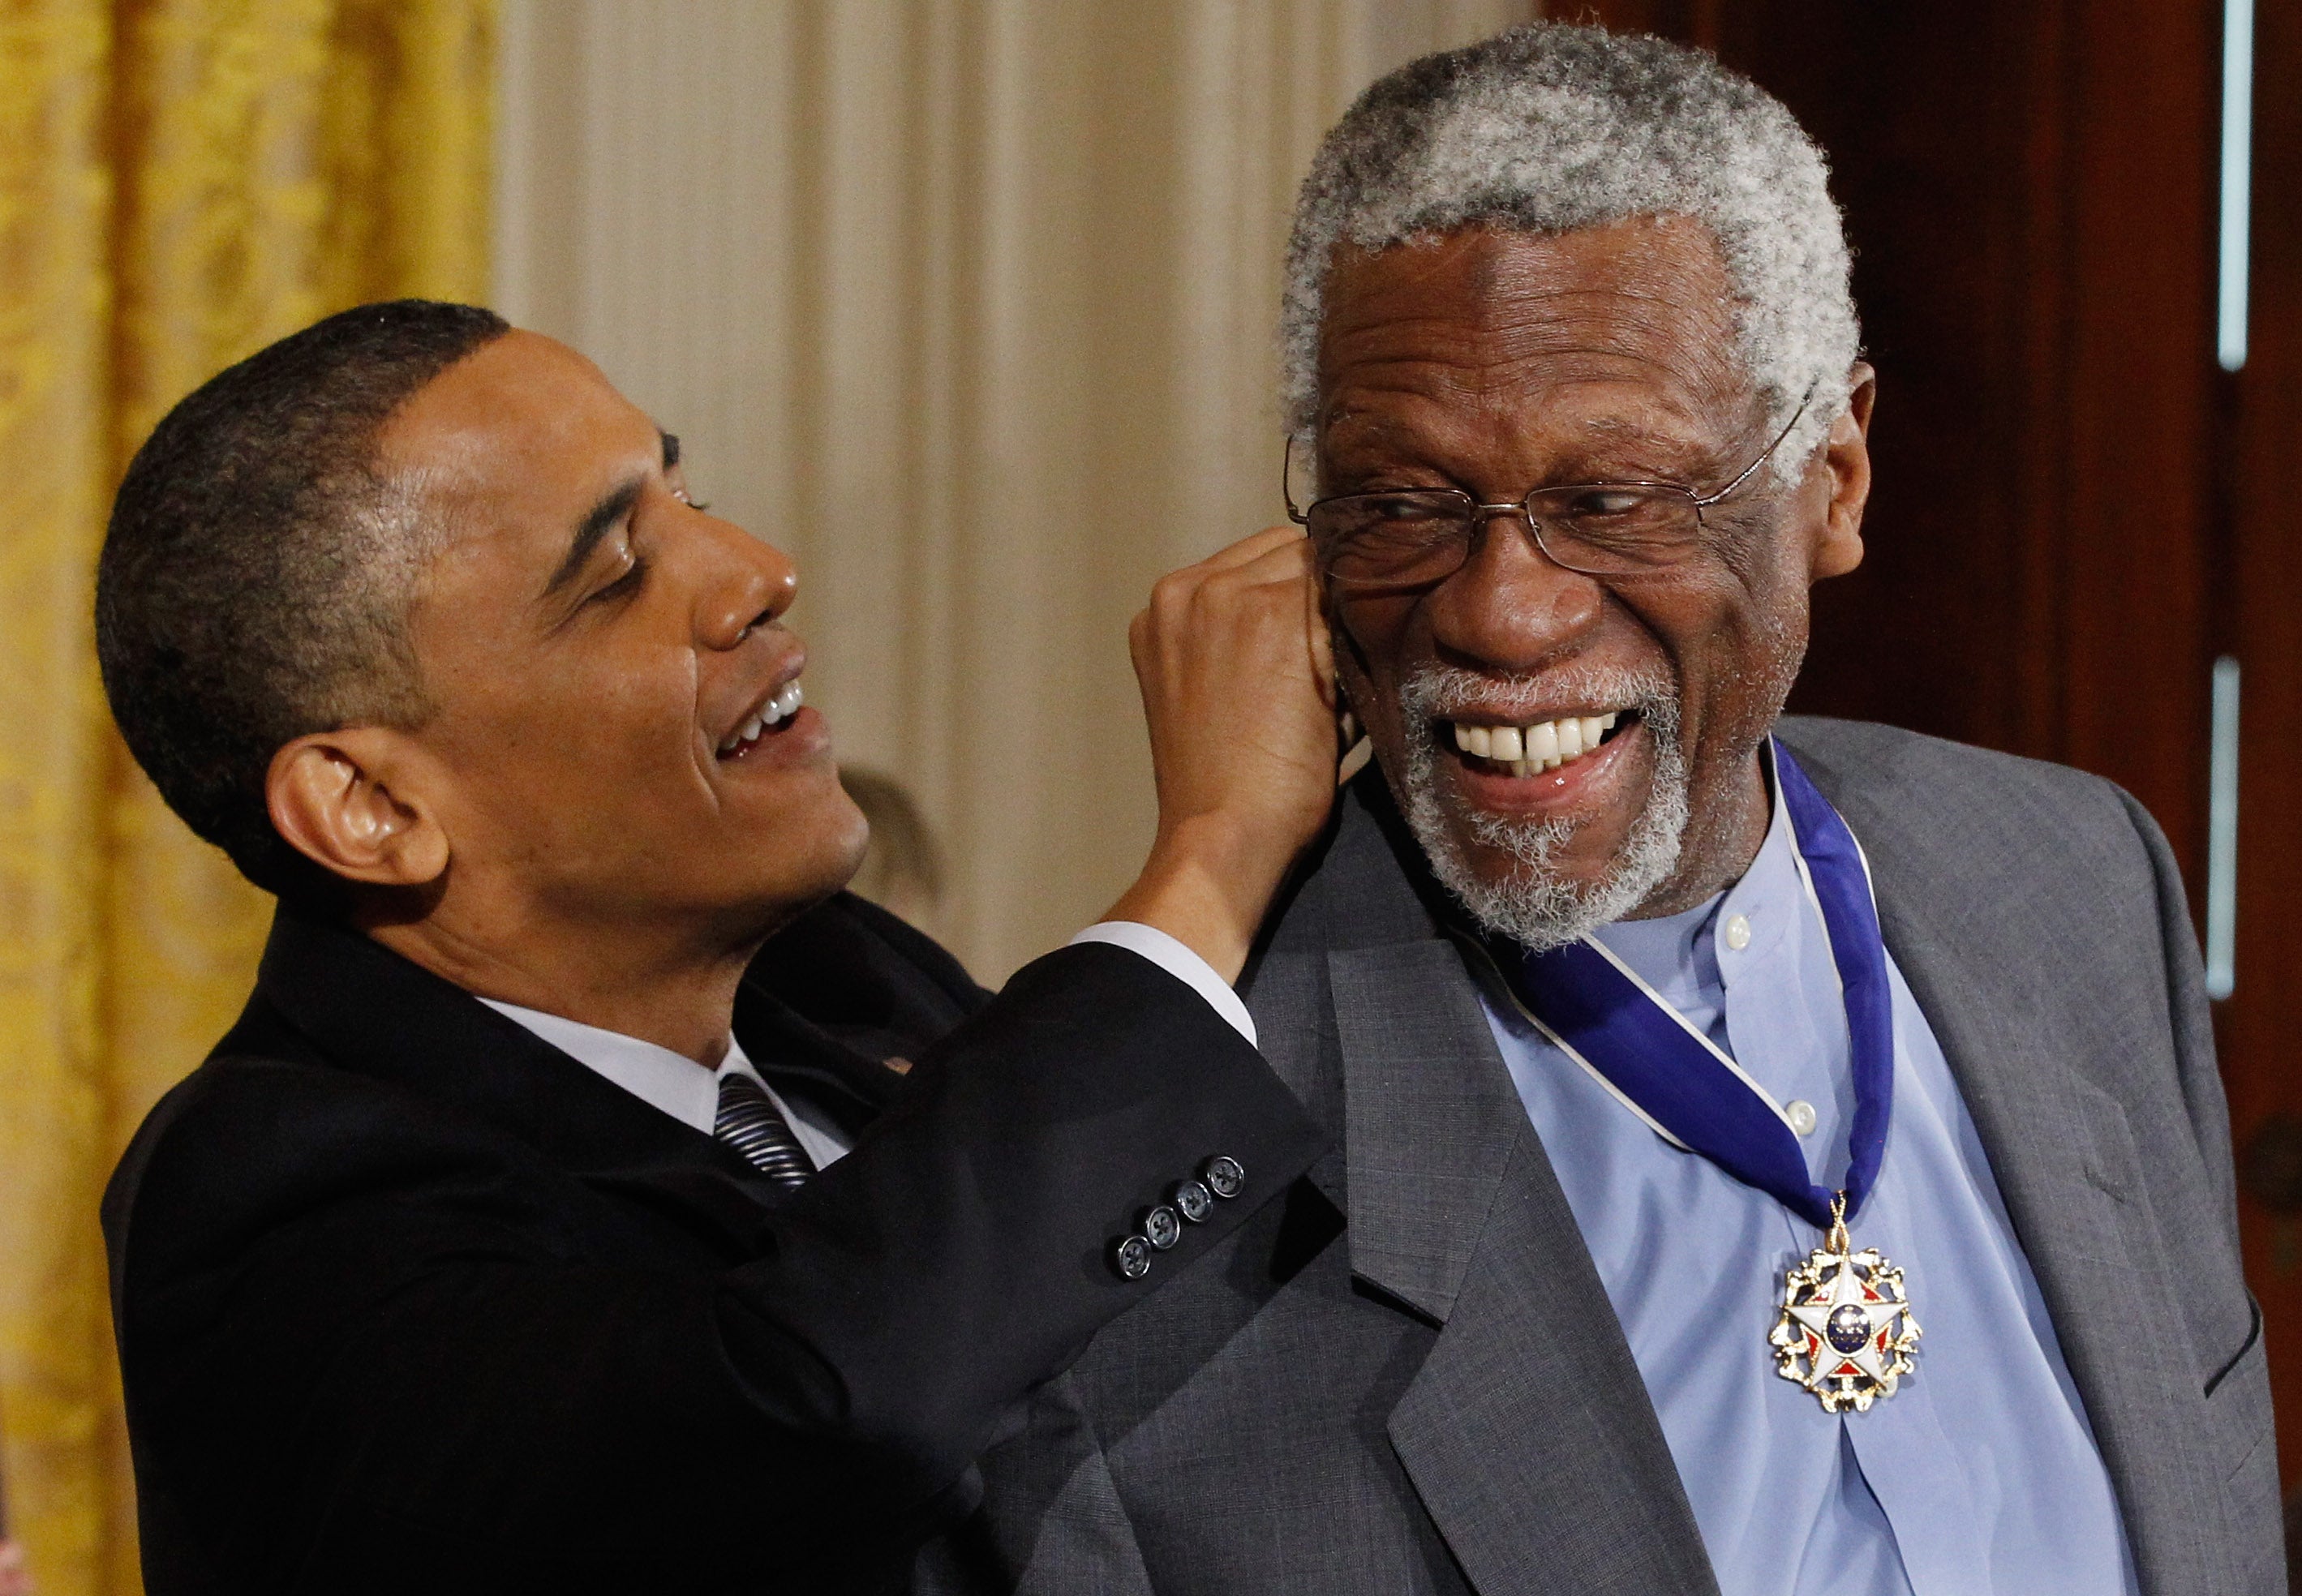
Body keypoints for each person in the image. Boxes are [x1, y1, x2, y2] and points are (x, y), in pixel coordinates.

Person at [926, 24, 2281, 1596]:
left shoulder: (2075, 882)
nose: (1503, 614)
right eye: (1402, 504)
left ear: (1833, 480)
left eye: (1613, 500)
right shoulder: (1151, 1197)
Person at [96, 302, 1342, 1594]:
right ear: (376, 809)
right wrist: (1212, 853)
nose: (756, 570)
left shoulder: (837, 978)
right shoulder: (270, 1200)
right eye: (614, 574)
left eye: (689, 496)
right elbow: (814, 1400)